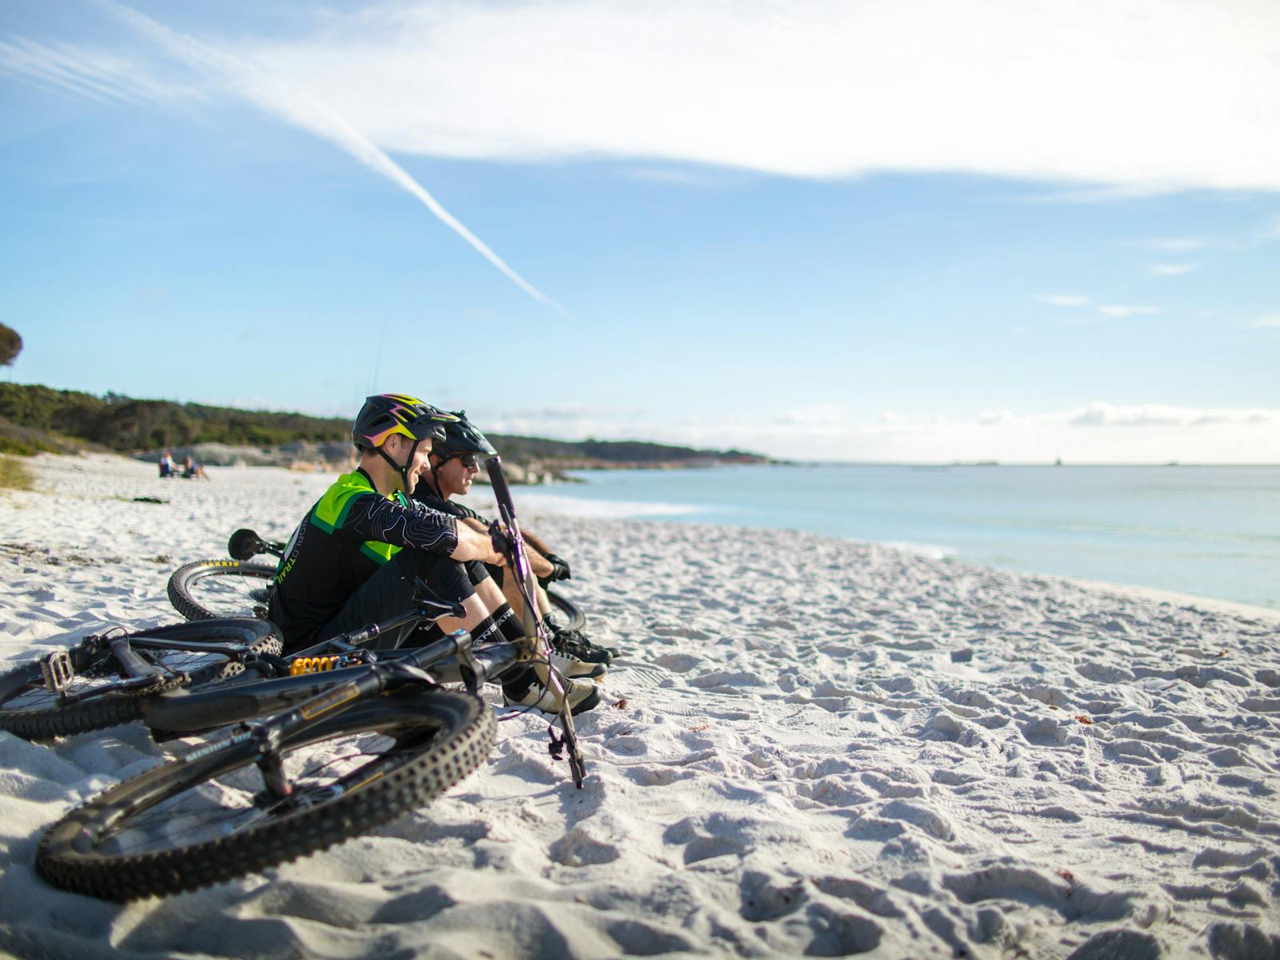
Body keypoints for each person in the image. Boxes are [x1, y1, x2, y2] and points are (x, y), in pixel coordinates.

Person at [267, 393, 601, 715]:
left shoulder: (392, 498)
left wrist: (486, 546)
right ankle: (523, 683)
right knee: (430, 558)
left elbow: (452, 530)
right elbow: (440, 535)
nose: (426, 463)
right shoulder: (349, 498)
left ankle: (530, 669)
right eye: (424, 451)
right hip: (309, 658)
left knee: (456, 557)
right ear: (393, 443)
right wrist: (493, 549)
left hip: (344, 637)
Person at [411, 411, 617, 666]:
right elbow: (505, 543)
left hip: (453, 609)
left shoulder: (444, 502)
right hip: (433, 622)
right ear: (434, 460)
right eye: (468, 459)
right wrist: (550, 567)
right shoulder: (425, 502)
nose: (475, 468)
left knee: (516, 557)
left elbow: (511, 532)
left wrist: (548, 556)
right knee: (512, 561)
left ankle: (555, 638)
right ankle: (549, 645)